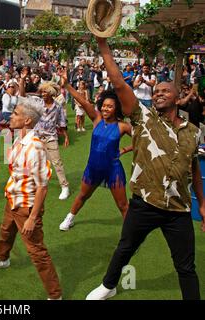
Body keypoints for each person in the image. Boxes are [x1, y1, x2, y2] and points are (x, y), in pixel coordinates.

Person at [86, 36, 205, 300]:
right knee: (125, 247)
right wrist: (103, 45)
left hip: (178, 210)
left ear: (179, 97)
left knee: (186, 267)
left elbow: (193, 168)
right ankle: (108, 285)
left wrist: (203, 204)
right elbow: (117, 82)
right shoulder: (143, 117)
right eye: (156, 91)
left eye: (165, 91)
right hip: (145, 204)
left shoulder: (193, 132)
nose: (159, 93)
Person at [0, 97, 63, 300]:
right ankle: (2, 259)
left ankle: (55, 296)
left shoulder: (34, 147)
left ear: (27, 120)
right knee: (5, 232)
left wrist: (32, 217)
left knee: (37, 252)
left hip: (27, 206)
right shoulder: (21, 137)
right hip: (13, 198)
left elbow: (43, 187)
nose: (12, 116)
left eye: (16, 113)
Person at [58, 68, 132, 231]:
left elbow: (142, 141)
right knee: (83, 195)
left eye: (110, 107)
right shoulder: (97, 119)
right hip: (93, 168)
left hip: (113, 170)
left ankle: (130, 235)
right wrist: (68, 86)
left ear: (116, 108)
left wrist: (125, 149)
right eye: (104, 106)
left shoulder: (123, 126)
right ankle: (69, 218)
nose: (105, 109)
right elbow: (84, 103)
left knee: (122, 204)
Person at [19, 68, 71, 201]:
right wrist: (23, 79)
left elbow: (62, 122)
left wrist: (65, 136)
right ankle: (29, 185)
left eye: (45, 92)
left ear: (51, 93)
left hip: (50, 137)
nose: (42, 94)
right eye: (41, 91)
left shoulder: (58, 106)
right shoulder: (37, 103)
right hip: (36, 137)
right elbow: (23, 95)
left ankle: (65, 187)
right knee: (32, 162)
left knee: (57, 162)